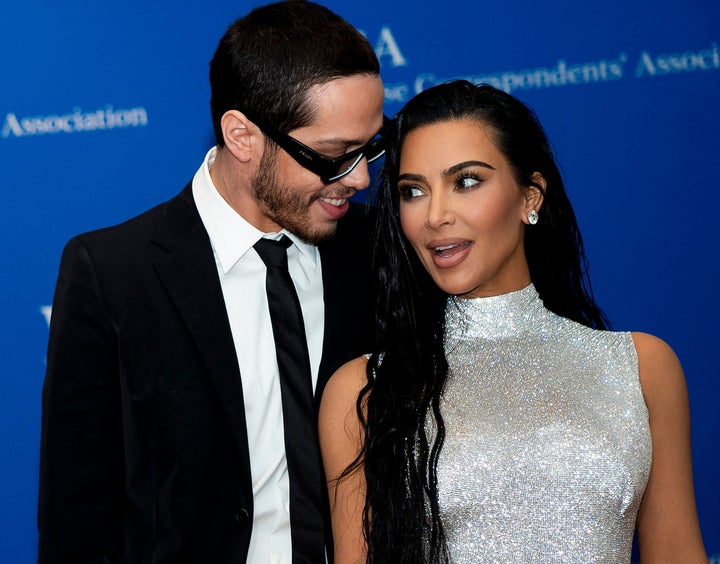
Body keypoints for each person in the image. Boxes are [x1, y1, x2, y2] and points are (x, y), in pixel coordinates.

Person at [37, 1, 385, 562]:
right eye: (333, 156)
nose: (361, 177)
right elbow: (77, 518)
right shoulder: (113, 274)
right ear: (242, 136)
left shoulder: (375, 249)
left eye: (371, 146)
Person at [319, 80, 707, 563]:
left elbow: (676, 552)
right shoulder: (364, 390)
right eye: (413, 191)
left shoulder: (642, 368)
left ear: (531, 196)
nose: (436, 215)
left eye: (466, 181)